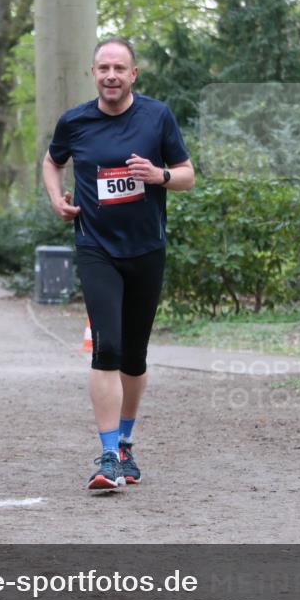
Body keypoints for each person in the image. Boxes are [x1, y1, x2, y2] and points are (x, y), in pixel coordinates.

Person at [42, 37, 194, 491]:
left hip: (147, 248)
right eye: (103, 68)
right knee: (106, 348)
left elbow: (187, 174)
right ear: (93, 73)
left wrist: (159, 175)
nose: (111, 75)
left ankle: (125, 444)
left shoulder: (156, 116)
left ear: (133, 75)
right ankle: (108, 455)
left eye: (119, 68)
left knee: (135, 356)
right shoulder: (75, 121)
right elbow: (52, 164)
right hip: (96, 246)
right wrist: (57, 200)